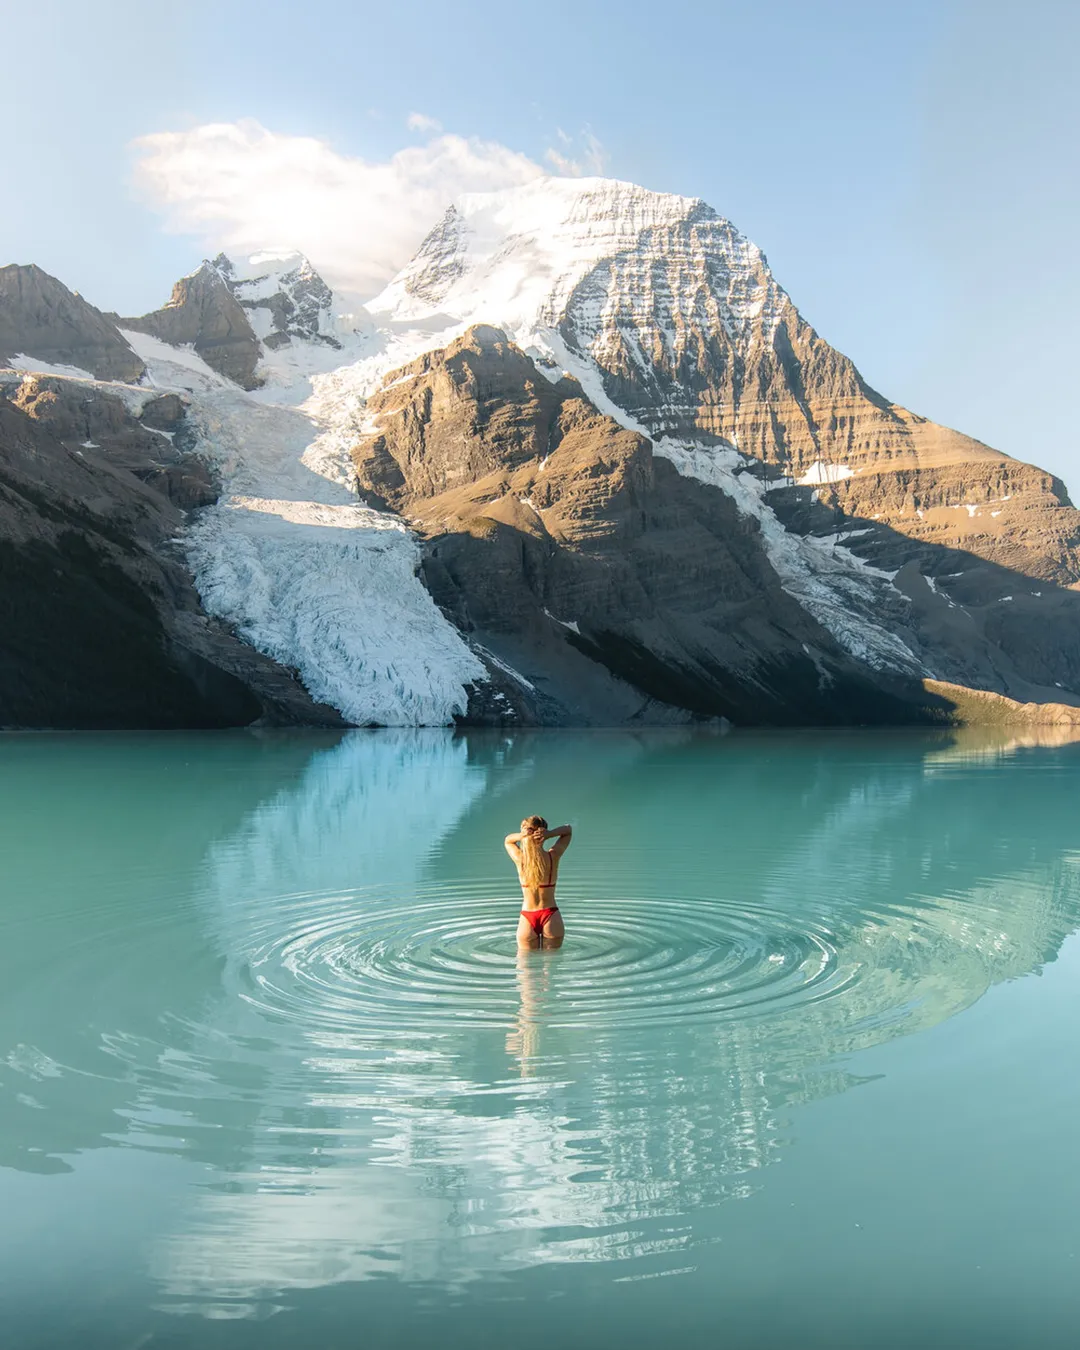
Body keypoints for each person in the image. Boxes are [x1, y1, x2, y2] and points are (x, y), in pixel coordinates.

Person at [504, 815, 572, 949]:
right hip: (551, 915)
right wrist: (550, 834)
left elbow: (507, 841)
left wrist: (521, 836)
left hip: (528, 916)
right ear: (543, 834)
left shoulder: (520, 859)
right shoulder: (553, 856)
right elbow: (568, 830)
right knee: (551, 966)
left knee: (526, 968)